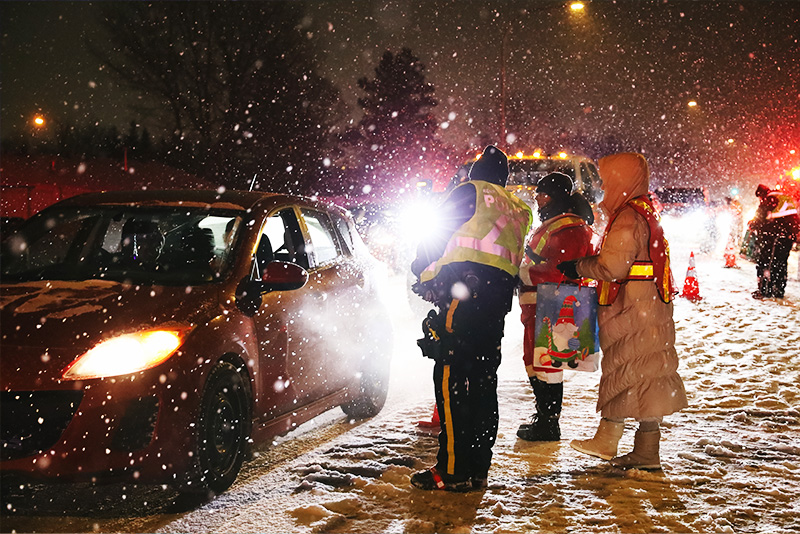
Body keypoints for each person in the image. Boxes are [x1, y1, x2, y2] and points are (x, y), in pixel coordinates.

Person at [409, 145, 532, 491]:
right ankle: (477, 467)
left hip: (463, 295)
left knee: (451, 380)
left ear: (476, 172)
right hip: (495, 305)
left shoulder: (470, 191)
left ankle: (451, 471)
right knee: (482, 382)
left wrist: (423, 273)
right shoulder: (519, 208)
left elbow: (435, 234)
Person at [557, 152, 688, 470]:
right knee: (647, 377)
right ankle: (646, 452)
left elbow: (613, 266)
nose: (602, 186)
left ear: (621, 180)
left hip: (631, 308)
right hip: (649, 306)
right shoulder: (645, 211)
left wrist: (578, 266)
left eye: (606, 180)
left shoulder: (627, 217)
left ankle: (608, 439)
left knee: (626, 372)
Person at [516, 172, 594, 442]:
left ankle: (548, 423)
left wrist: (520, 274)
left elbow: (557, 271)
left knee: (547, 365)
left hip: (549, 306)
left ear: (555, 197)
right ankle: (545, 418)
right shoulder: (560, 223)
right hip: (540, 305)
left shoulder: (569, 227)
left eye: (543, 193)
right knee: (538, 363)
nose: (537, 197)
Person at [750, 184, 800, 299]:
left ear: (761, 195)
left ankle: (766, 290)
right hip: (789, 234)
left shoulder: (769, 199)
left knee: (768, 261)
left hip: (778, 235)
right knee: (781, 262)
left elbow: (760, 217)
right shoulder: (783, 197)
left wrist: (753, 224)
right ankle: (779, 290)